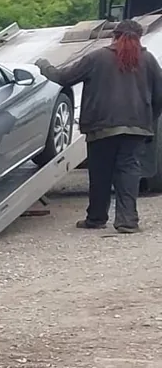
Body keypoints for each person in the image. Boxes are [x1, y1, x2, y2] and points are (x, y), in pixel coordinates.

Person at [38, 20, 162, 233]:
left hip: (101, 126)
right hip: (136, 127)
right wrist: (148, 119)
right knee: (128, 171)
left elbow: (63, 77)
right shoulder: (148, 60)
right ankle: (127, 221)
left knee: (100, 173)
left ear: (114, 35)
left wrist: (43, 65)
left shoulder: (97, 58)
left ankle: (96, 218)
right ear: (139, 37)